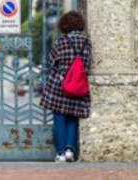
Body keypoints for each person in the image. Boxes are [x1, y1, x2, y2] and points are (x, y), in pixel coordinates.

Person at [40, 10, 91, 162]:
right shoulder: (87, 42)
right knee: (73, 118)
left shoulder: (61, 42)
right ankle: (70, 150)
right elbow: (87, 63)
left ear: (64, 25)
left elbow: (52, 61)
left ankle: (60, 153)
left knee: (59, 118)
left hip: (60, 85)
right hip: (79, 84)